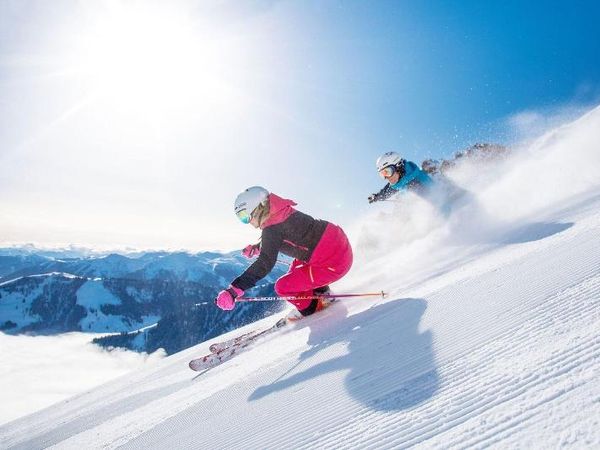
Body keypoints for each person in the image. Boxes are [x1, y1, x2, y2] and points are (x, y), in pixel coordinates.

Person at [214, 186, 353, 318]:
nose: (247, 221)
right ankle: (321, 291)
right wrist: (259, 247)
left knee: (283, 287)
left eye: (245, 215)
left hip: (334, 263)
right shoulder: (282, 212)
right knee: (294, 269)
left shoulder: (272, 229)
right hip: (337, 246)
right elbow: (287, 235)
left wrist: (234, 290)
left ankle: (313, 306)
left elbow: (265, 263)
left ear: (258, 208)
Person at [368, 151, 434, 204]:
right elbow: (388, 190)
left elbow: (432, 202)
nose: (386, 177)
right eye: (382, 174)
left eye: (387, 172)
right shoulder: (401, 180)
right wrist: (377, 197)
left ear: (399, 166)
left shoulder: (414, 183)